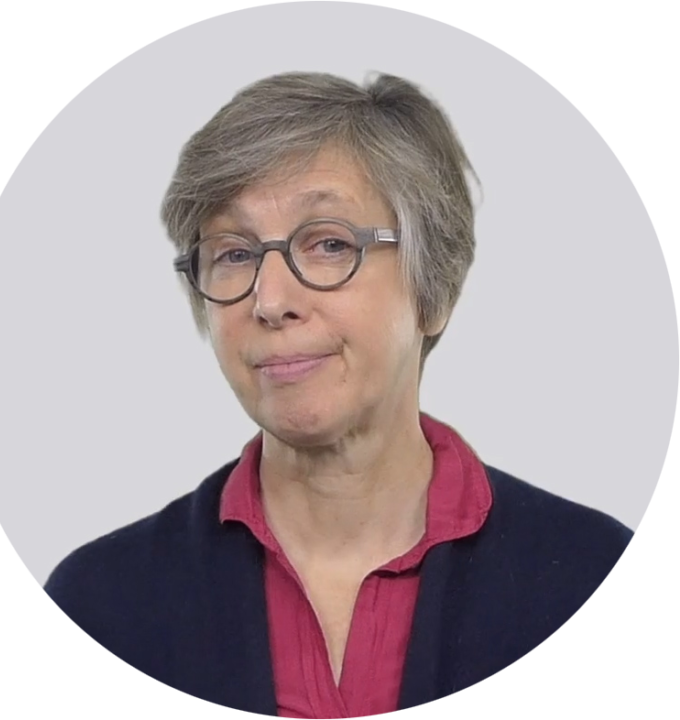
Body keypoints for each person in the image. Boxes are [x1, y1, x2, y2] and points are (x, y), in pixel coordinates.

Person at [43, 72, 634, 715]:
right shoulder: (101, 607)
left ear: (432, 290)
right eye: (234, 254)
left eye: (328, 244)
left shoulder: (587, 576)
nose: (271, 300)